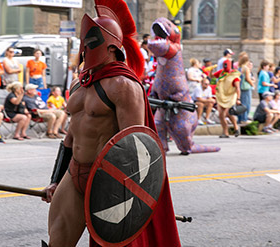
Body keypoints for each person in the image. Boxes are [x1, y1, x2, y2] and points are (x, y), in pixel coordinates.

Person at [42, 1, 180, 246]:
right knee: (57, 241)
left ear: (113, 46)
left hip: (109, 179)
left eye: (92, 42)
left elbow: (135, 146)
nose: (86, 49)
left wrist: (132, 197)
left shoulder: (124, 86)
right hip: (75, 172)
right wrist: (56, 178)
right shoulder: (79, 84)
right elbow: (70, 137)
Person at [213, 59, 241, 138]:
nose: (225, 66)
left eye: (226, 65)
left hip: (230, 97)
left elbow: (237, 88)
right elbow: (212, 76)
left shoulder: (234, 75)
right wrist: (210, 70)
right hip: (221, 96)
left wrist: (238, 99)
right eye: (224, 65)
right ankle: (227, 132)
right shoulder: (221, 72)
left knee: (225, 114)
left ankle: (233, 127)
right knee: (222, 115)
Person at [237, 55, 255, 124]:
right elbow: (248, 79)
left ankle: (240, 118)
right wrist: (252, 83)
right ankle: (244, 119)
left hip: (240, 87)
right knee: (246, 104)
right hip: (246, 88)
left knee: (241, 103)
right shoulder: (246, 69)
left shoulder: (239, 68)